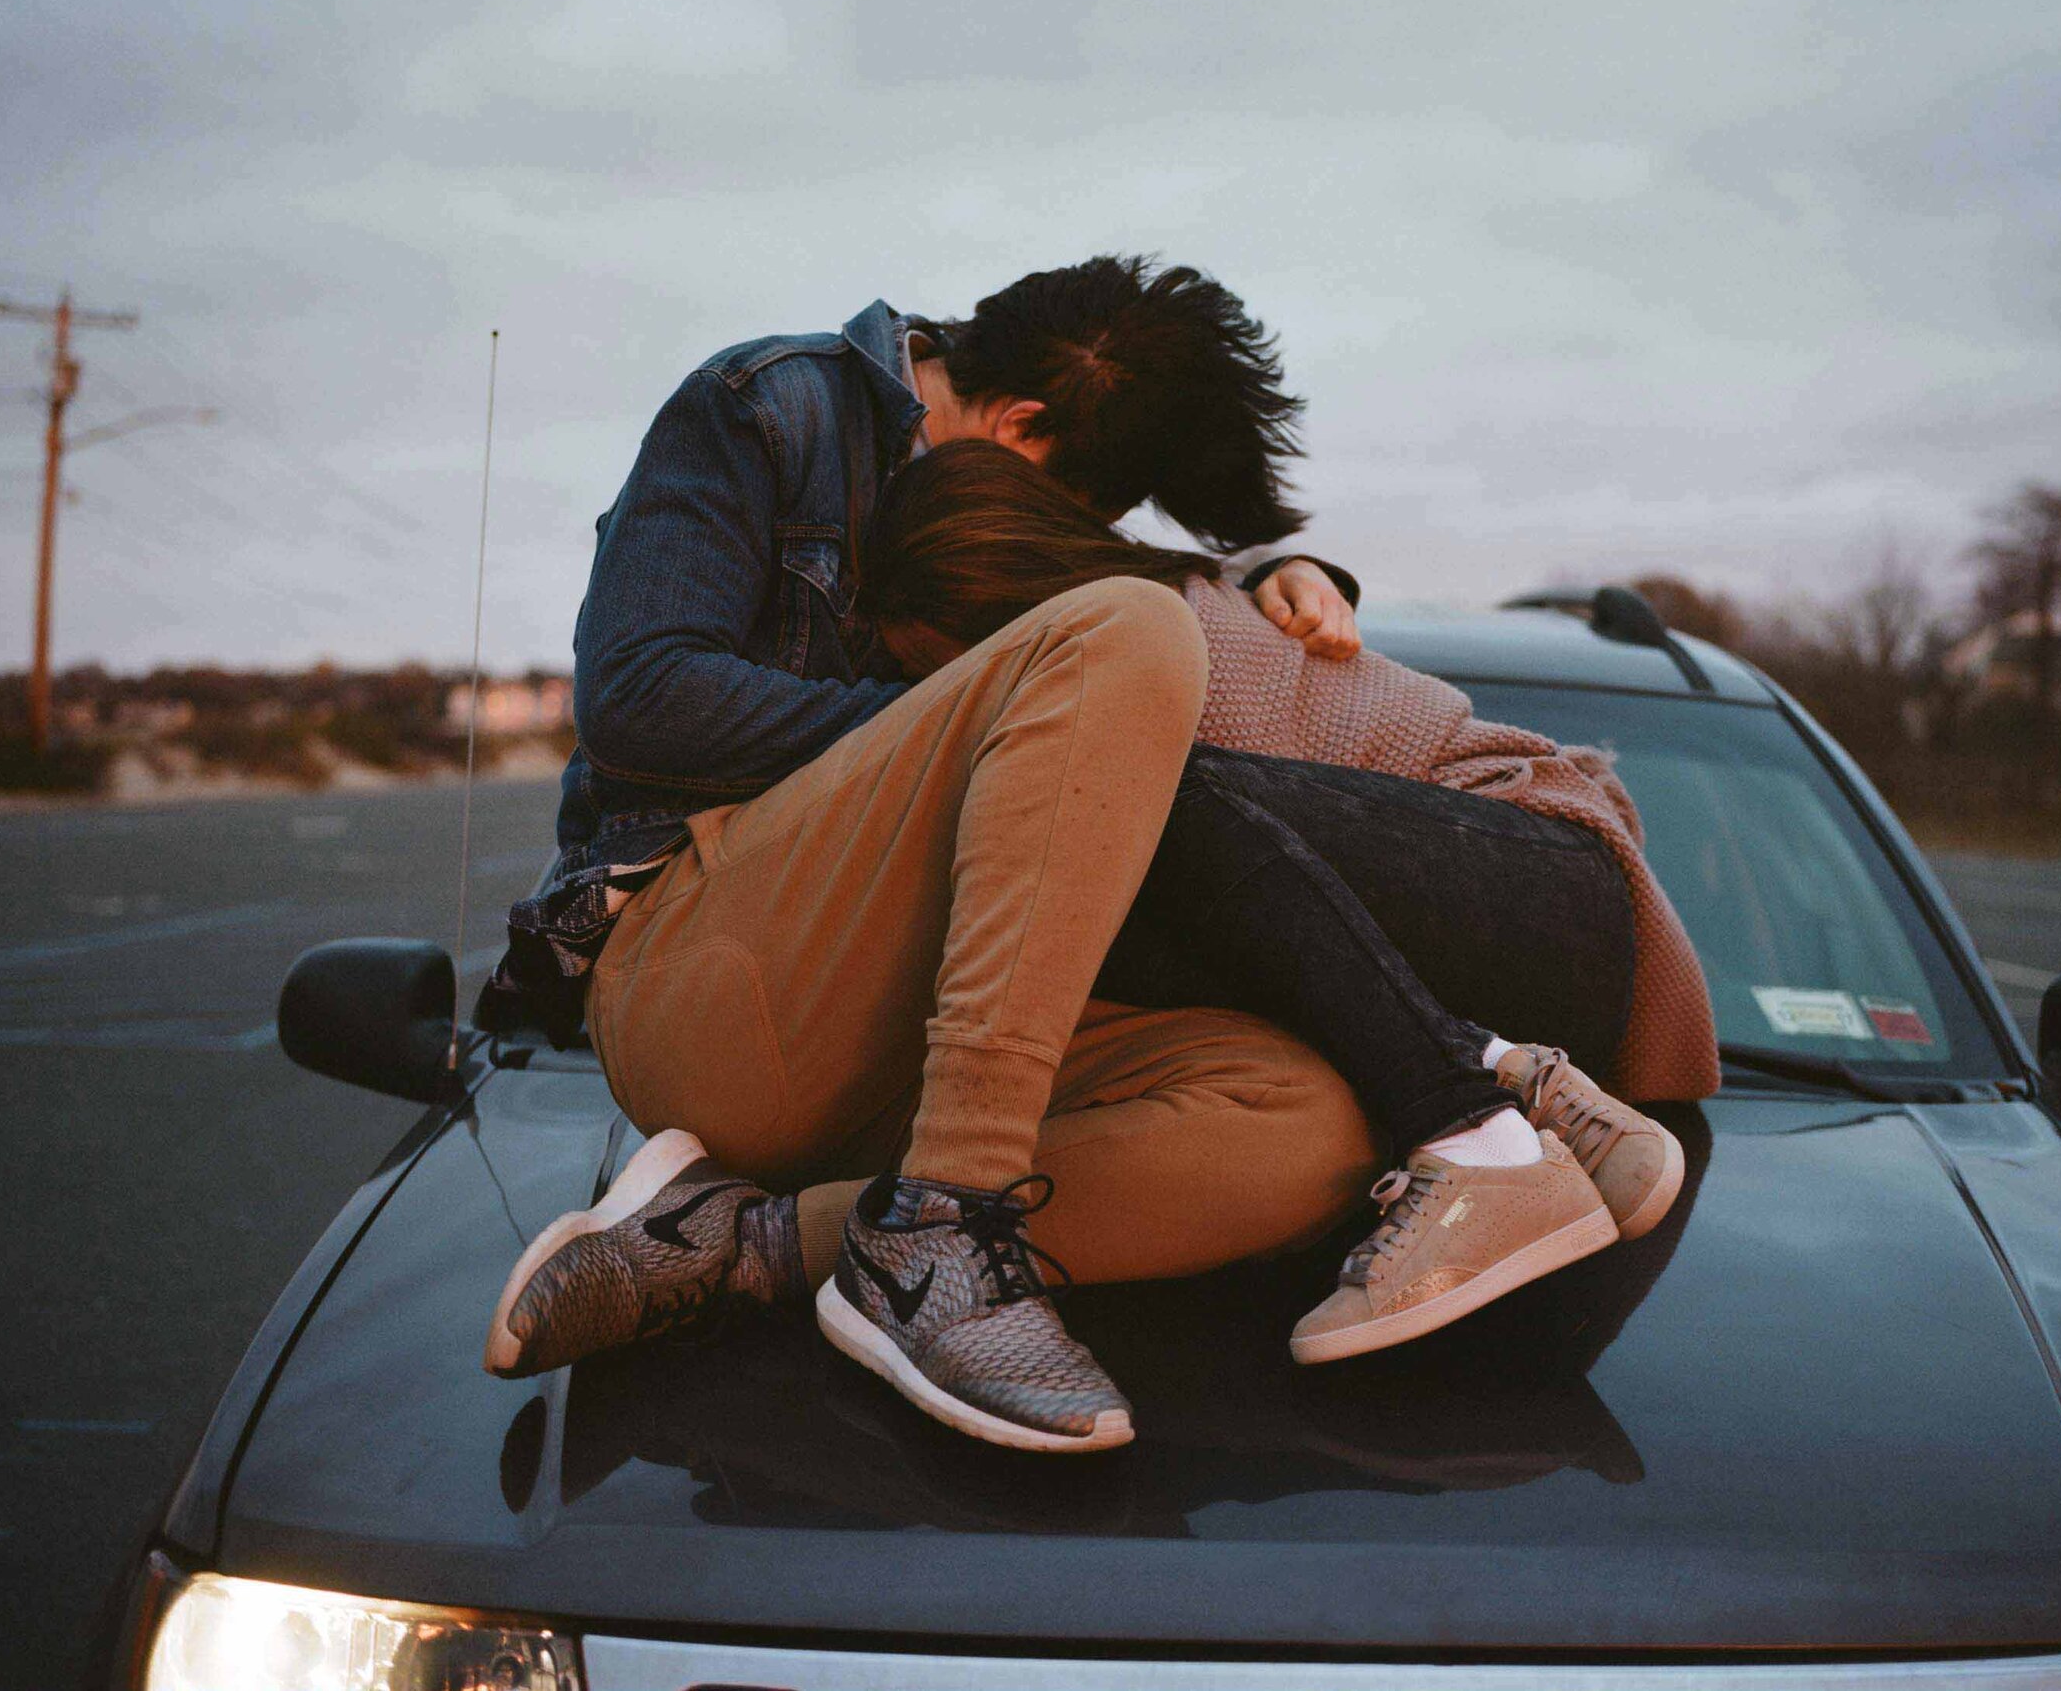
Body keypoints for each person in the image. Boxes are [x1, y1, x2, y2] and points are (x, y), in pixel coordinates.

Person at [484, 257, 1393, 1454]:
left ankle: (748, 1245)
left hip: (926, 1039)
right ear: (1022, 423)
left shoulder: (1021, 483)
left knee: (1311, 1129)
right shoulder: (766, 406)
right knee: (1120, 632)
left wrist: (1262, 575)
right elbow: (641, 697)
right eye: (1088, 511)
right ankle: (939, 1234)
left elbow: (1079, 601)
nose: (1076, 544)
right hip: (708, 974)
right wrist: (989, 719)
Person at [854, 439, 1720, 1365]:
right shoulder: (1162, 615)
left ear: (992, 608)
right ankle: (1514, 1082)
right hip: (1489, 957)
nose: (934, 694)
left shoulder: (1153, 637)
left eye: (936, 666)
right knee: (1091, 880)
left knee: (1112, 797)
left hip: (1552, 882)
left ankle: (1479, 1142)